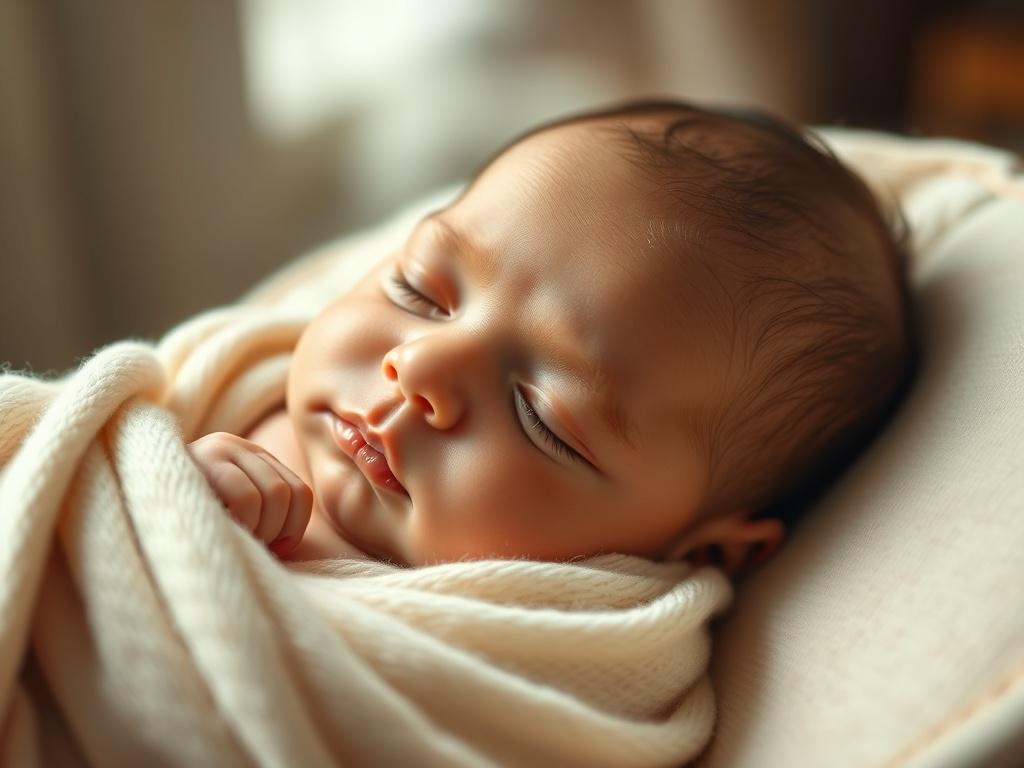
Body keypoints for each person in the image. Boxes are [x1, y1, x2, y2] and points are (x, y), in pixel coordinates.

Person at [186, 99, 915, 576]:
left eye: (540, 418)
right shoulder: (229, 383)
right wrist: (167, 477)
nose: (420, 368)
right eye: (419, 290)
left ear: (708, 551)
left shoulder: (553, 650)